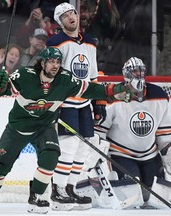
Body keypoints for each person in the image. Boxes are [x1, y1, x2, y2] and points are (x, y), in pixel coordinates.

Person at [0, 47, 132, 214]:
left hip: (44, 126)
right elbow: (2, 91)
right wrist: (0, 86)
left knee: (50, 156)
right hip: (19, 127)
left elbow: (90, 90)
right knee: (1, 165)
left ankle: (36, 196)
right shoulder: (25, 75)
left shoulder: (65, 80)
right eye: (51, 62)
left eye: (58, 62)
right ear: (42, 63)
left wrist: (113, 91)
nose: (55, 66)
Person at [93, 57, 171, 209]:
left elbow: (164, 132)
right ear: (127, 75)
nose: (139, 75)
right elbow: (100, 133)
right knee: (133, 197)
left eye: (141, 72)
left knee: (157, 198)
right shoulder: (114, 97)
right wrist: (98, 157)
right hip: (121, 156)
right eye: (135, 72)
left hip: (150, 155)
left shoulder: (159, 95)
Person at [46, 2, 106, 211]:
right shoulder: (55, 43)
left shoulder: (90, 43)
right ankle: (58, 191)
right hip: (66, 104)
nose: (71, 17)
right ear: (60, 22)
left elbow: (93, 74)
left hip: (85, 104)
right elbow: (49, 74)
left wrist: (98, 103)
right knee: (69, 146)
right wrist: (52, 103)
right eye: (65, 16)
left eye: (73, 13)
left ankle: (70, 189)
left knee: (84, 147)